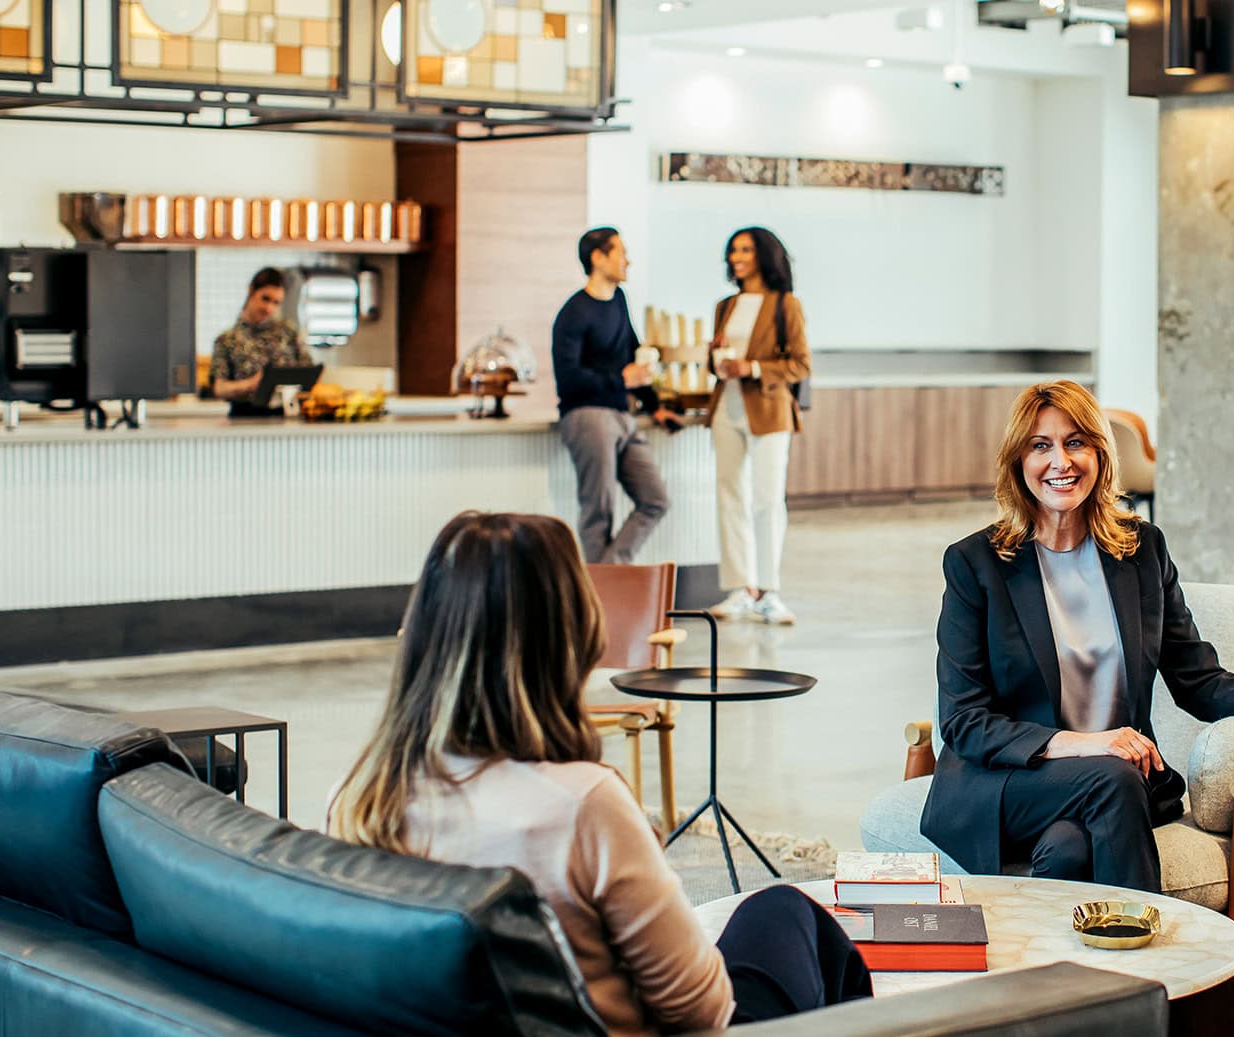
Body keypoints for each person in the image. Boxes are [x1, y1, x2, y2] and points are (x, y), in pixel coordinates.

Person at [327, 512, 871, 1036]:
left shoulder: (361, 797)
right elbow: (703, 1010)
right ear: (569, 637)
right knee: (785, 913)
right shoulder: (582, 805)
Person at [924, 380, 1234, 893]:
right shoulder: (976, 565)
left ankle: (1078, 969)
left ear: (1100, 454)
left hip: (1108, 790)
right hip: (1005, 784)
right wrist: (1087, 746)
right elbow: (965, 722)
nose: (1060, 461)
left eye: (1076, 442)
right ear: (1019, 461)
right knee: (1111, 775)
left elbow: (1197, 676)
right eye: (1041, 446)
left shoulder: (1141, 550)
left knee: (1067, 851)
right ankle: (1162, 961)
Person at [705, 227, 810, 625]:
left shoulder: (786, 305)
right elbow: (716, 359)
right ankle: (740, 588)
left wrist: (750, 367)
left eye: (746, 249)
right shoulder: (724, 306)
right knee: (729, 495)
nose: (737, 257)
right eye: (733, 250)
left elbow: (800, 363)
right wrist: (715, 358)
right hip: (726, 407)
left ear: (764, 255)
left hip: (768, 409)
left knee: (767, 500)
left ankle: (769, 591)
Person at [554, 227, 671, 565]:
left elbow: (632, 354)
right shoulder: (574, 312)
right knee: (598, 509)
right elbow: (568, 379)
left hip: (623, 416)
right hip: (588, 417)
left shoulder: (619, 302)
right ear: (598, 257)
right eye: (620, 252)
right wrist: (621, 380)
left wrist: (655, 406)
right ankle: (601, 597)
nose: (627, 261)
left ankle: (608, 574)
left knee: (656, 499)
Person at [210, 267, 310, 416]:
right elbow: (219, 388)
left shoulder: (288, 332)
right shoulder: (227, 339)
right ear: (251, 291)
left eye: (276, 303)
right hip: (244, 418)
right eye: (265, 299)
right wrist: (250, 384)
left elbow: (309, 370)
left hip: (287, 415)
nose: (269, 308)